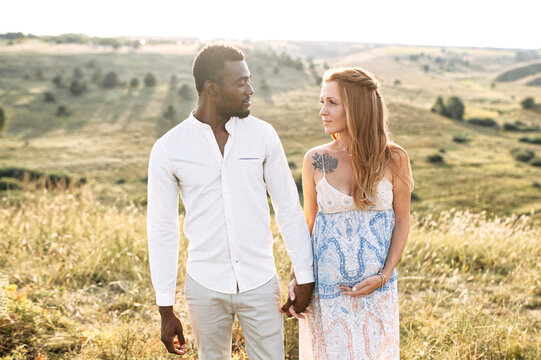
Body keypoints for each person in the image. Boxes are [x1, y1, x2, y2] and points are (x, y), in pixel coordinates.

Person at [146, 44, 314, 359]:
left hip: (260, 281)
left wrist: (305, 276)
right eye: (240, 83)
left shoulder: (263, 135)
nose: (250, 90)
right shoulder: (168, 148)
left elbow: (288, 209)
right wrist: (165, 308)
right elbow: (161, 229)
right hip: (204, 285)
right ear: (211, 88)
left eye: (249, 80)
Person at [284, 67, 413, 359]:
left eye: (332, 102)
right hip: (327, 292)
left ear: (355, 107)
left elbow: (403, 219)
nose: (322, 111)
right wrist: (298, 276)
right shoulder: (316, 159)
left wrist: (384, 275)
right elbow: (310, 221)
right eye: (322, 101)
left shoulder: (394, 158)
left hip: (376, 290)